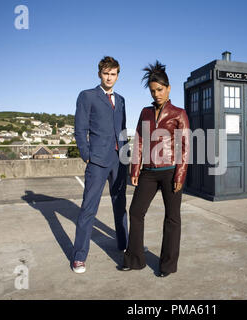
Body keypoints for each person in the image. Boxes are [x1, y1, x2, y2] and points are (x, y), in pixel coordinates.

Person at [120, 61, 190, 277]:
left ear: (168, 88)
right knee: (136, 212)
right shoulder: (146, 112)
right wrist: (134, 170)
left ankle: (167, 266)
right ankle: (135, 259)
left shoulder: (179, 113)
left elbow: (185, 146)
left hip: (171, 172)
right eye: (153, 91)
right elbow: (139, 141)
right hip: (148, 173)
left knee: (172, 218)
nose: (157, 94)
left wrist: (180, 174)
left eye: (160, 89)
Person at [72, 56, 128, 274]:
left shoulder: (122, 99)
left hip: (118, 160)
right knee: (88, 208)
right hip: (97, 160)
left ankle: (123, 246)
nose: (109, 77)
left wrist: (126, 155)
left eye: (113, 74)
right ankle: (79, 257)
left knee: (120, 205)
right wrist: (86, 155)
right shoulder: (87, 96)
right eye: (106, 73)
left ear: (117, 75)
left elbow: (122, 130)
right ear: (99, 74)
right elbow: (80, 129)